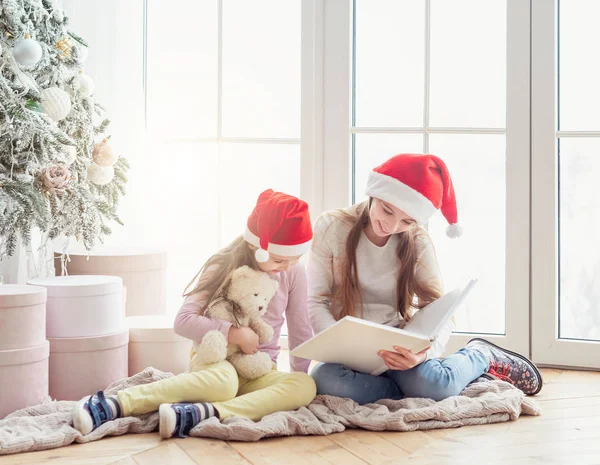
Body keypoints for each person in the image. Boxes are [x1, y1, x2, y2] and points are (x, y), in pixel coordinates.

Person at [72, 189, 316, 438]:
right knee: (224, 383)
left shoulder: (293, 273)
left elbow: (300, 329)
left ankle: (202, 413)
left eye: (294, 259)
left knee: (304, 386)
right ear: (258, 247)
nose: (286, 267)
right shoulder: (221, 265)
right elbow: (183, 321)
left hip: (258, 368)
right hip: (215, 361)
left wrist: (299, 373)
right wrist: (234, 334)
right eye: (278, 260)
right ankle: (113, 404)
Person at [307, 153, 542, 404]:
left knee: (434, 386)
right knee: (325, 381)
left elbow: (441, 312)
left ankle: (480, 356)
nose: (392, 225)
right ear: (373, 193)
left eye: (406, 221)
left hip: (397, 347)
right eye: (387, 210)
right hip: (347, 349)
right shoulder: (331, 226)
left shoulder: (417, 241)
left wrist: (422, 355)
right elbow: (317, 300)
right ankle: (414, 389)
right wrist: (339, 345)